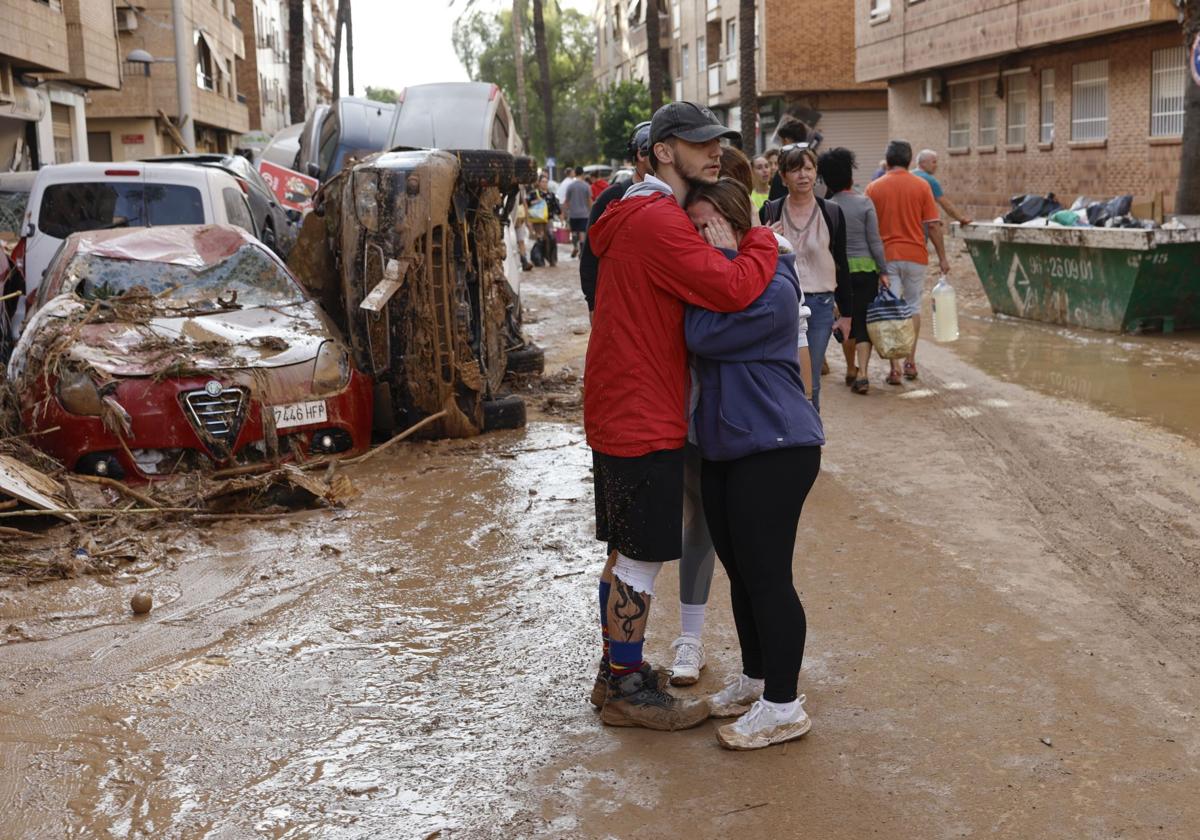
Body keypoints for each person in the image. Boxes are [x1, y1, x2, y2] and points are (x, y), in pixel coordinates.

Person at [584, 100, 778, 730]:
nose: (714, 151)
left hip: (622, 403)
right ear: (664, 151)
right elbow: (731, 289)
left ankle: (620, 671)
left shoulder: (630, 210)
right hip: (643, 409)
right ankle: (625, 691)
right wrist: (760, 240)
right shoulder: (659, 220)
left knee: (625, 552)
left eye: (716, 141)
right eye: (699, 143)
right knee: (640, 557)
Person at [682, 177, 825, 750]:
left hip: (777, 446)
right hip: (724, 445)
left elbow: (702, 333)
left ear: (737, 225)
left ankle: (784, 705)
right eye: (691, 226)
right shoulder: (717, 279)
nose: (699, 236)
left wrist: (720, 262)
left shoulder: (775, 284)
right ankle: (756, 679)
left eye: (709, 225)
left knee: (768, 578)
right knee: (742, 573)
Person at [761, 145, 850, 413]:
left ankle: (810, 438)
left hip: (821, 305)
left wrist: (847, 314)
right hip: (781, 303)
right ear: (783, 176)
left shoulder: (831, 212)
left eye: (809, 169)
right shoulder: (771, 212)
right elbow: (757, 261)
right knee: (781, 372)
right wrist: (764, 238)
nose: (803, 175)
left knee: (810, 376)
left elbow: (842, 263)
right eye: (795, 169)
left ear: (816, 173)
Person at [865, 140, 950, 384]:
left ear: (887, 160)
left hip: (886, 258)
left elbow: (867, 227)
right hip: (915, 256)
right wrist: (943, 258)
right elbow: (932, 225)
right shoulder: (922, 186)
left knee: (891, 308)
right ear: (910, 161)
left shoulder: (873, 188)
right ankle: (910, 361)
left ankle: (894, 368)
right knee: (912, 307)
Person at [818, 147, 889, 395]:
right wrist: (884, 270)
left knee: (845, 318)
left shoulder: (826, 206)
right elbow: (875, 241)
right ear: (850, 175)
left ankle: (850, 368)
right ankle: (864, 373)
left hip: (838, 273)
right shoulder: (864, 202)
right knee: (862, 321)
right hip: (866, 270)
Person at [581, 122, 651, 317]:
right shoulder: (611, 198)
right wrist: (593, 305)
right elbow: (590, 255)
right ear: (641, 154)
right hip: (619, 308)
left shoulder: (677, 195)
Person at [766, 115, 820, 201]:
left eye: (808, 169)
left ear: (786, 140)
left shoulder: (785, 165)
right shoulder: (816, 161)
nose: (802, 175)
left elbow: (774, 199)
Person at [913, 149, 973, 226]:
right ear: (923, 163)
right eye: (933, 162)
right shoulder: (930, 180)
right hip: (919, 227)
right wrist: (961, 218)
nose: (936, 165)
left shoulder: (909, 175)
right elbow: (945, 204)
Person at [527, 173, 561, 267]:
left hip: (548, 219)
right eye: (543, 182)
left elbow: (557, 208)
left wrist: (560, 218)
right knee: (540, 239)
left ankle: (551, 259)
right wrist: (535, 202)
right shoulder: (534, 194)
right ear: (539, 182)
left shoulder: (551, 195)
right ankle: (538, 259)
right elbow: (526, 205)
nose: (545, 184)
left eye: (546, 182)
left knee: (551, 238)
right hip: (537, 220)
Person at [562, 170, 593, 258]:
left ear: (575, 174)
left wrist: (564, 213)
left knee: (574, 232)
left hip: (573, 214)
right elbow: (589, 200)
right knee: (582, 232)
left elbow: (566, 201)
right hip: (584, 214)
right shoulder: (586, 186)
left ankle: (575, 246)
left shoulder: (570, 186)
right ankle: (582, 251)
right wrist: (592, 211)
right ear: (582, 174)